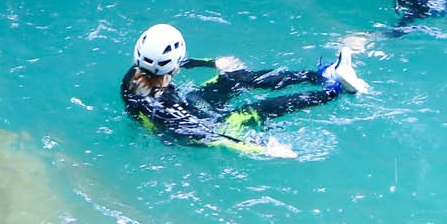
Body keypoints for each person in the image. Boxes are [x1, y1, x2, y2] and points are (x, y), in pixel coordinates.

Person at [119, 23, 367, 156]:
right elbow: (208, 134)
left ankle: (321, 74)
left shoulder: (136, 73)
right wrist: (261, 147)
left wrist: (212, 64)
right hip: (194, 130)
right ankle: (334, 90)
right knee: (254, 110)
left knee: (233, 77)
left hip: (187, 106)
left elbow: (176, 62)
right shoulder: (167, 109)